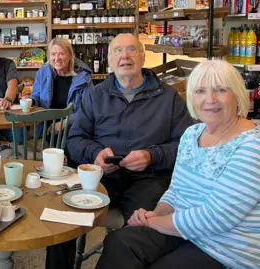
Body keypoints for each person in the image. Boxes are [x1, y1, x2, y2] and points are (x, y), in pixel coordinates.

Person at [46, 33, 194, 269]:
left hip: (150, 179)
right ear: (110, 62)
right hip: (103, 176)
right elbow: (75, 139)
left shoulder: (168, 98)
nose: (125, 56)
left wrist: (151, 156)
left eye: (132, 50)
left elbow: (187, 147)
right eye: (117, 51)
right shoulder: (95, 95)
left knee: (136, 235)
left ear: (143, 57)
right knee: (61, 218)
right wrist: (95, 153)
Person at [97, 60, 260, 269]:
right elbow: (176, 191)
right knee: (120, 242)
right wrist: (155, 214)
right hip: (182, 232)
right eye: (200, 91)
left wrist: (154, 223)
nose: (210, 99)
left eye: (220, 90)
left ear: (237, 94)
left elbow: (216, 217)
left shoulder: (251, 145)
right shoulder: (192, 134)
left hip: (226, 249)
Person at [29, 37, 93, 138]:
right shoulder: (43, 72)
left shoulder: (83, 77)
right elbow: (36, 97)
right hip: (46, 126)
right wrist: (30, 101)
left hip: (73, 127)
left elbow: (88, 110)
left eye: (61, 54)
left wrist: (64, 123)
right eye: (53, 54)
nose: (57, 58)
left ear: (70, 56)